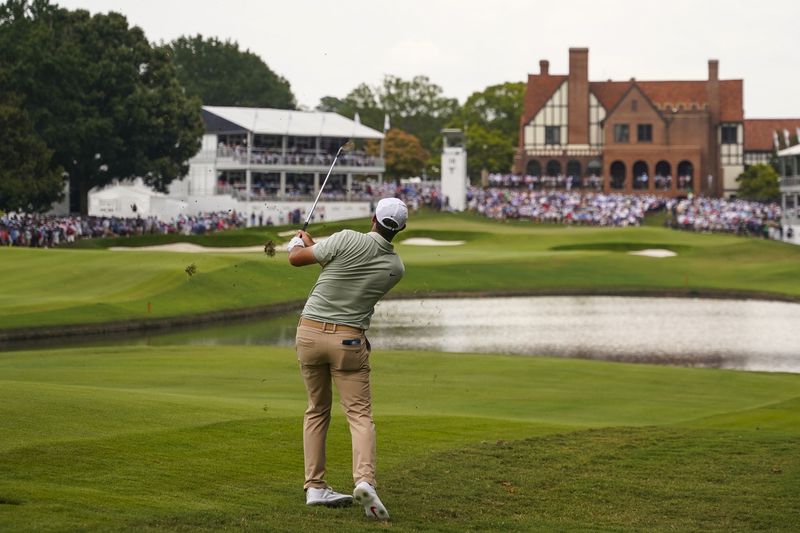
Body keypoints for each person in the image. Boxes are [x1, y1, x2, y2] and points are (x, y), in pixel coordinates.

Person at [286, 197, 408, 521]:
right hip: (348, 340)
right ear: (401, 229)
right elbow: (346, 270)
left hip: (309, 333)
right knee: (359, 415)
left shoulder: (345, 239)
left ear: (373, 218)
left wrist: (296, 245)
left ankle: (314, 486)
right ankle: (364, 480)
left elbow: (299, 260)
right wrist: (310, 245)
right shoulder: (396, 269)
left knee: (316, 409)